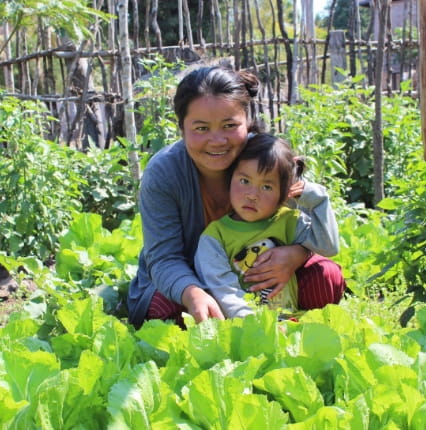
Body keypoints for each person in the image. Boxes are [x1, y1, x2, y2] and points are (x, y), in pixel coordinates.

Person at [127, 66, 346, 328]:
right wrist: (192, 292)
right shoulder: (164, 173)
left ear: (246, 121)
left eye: (229, 125)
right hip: (194, 276)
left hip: (261, 275)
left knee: (326, 276)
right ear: (181, 127)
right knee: (166, 310)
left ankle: (289, 328)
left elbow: (311, 226)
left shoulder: (266, 158)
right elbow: (164, 258)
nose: (217, 140)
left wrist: (298, 254)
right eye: (201, 128)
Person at [194, 133, 340, 318]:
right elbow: (223, 290)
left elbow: (328, 246)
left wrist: (317, 199)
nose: (252, 195)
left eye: (267, 187)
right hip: (243, 329)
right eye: (245, 181)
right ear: (229, 179)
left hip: (291, 323)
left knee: (325, 272)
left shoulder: (289, 221)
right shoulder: (215, 236)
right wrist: (257, 326)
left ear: (284, 192)